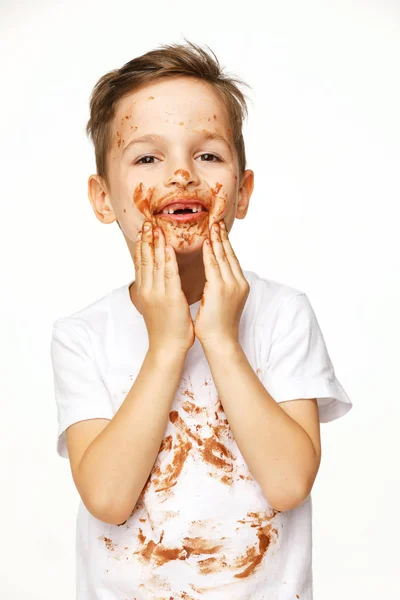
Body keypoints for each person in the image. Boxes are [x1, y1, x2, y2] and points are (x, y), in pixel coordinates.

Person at [50, 39, 353, 600]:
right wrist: (167, 346)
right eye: (147, 157)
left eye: (208, 154)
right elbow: (108, 498)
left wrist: (221, 339)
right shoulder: (82, 335)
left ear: (242, 192)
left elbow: (288, 484)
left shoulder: (283, 314)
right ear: (101, 198)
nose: (182, 173)